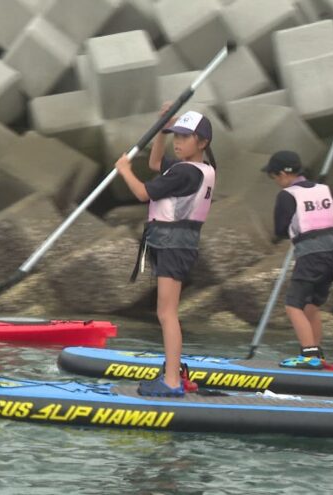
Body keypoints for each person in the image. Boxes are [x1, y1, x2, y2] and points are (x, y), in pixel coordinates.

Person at [114, 105, 217, 397]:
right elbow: (156, 161)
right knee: (166, 312)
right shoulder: (202, 169)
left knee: (166, 313)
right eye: (176, 135)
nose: (178, 141)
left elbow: (144, 192)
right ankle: (173, 373)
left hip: (174, 244)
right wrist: (161, 127)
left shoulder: (185, 173)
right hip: (175, 242)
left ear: (203, 142)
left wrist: (124, 170)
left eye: (185, 137)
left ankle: (172, 381)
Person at [262, 150, 333, 370]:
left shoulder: (287, 195)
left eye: (273, 177)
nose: (275, 182)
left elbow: (280, 230)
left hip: (311, 254)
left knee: (293, 305)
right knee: (311, 305)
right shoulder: (324, 189)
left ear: (282, 174)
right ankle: (317, 353)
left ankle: (309, 356)